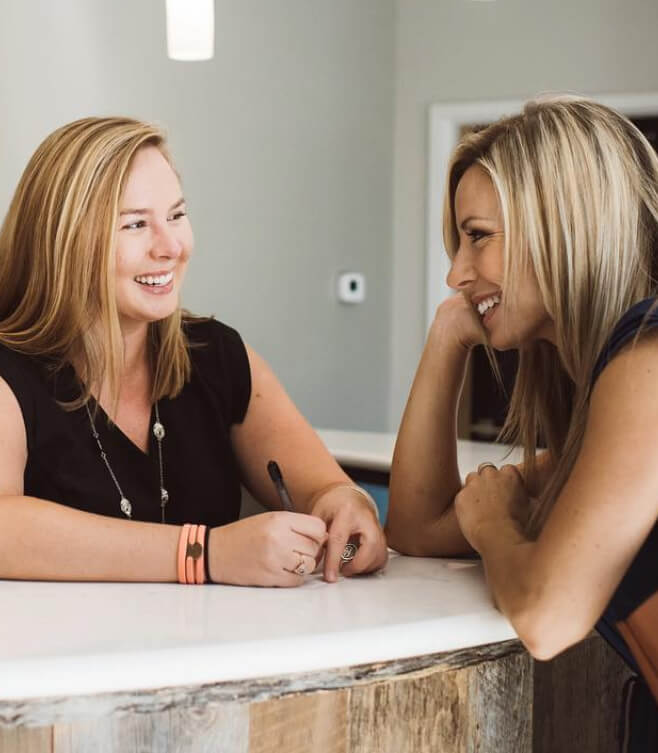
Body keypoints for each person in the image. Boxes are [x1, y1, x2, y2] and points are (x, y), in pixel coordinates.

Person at [0, 116, 387, 588]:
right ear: (63, 240)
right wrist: (204, 555)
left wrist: (350, 506)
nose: (172, 247)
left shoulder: (217, 353)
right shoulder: (10, 368)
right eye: (136, 224)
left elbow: (327, 488)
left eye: (177, 215)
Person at [385, 97, 658, 740]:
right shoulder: (604, 401)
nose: (456, 273)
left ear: (563, 224)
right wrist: (447, 337)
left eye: (477, 237)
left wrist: (495, 526)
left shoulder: (647, 353)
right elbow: (418, 527)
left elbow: (546, 614)